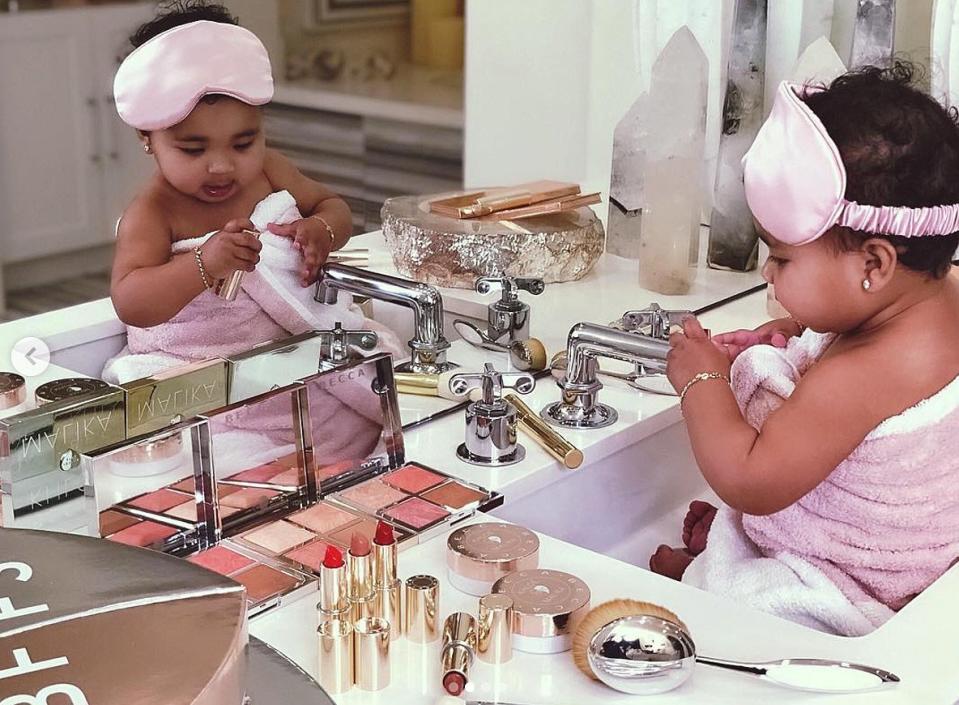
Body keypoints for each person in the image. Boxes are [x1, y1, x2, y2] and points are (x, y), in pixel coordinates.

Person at [651, 63, 959, 635]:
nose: (767, 271)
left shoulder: (865, 374)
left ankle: (719, 574)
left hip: (849, 577)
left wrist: (703, 383)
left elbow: (752, 482)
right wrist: (795, 332)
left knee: (745, 607)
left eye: (783, 259)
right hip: (927, 556)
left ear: (874, 262)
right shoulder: (938, 295)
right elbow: (846, 326)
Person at [102, 1, 398, 383]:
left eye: (243, 143)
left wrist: (320, 230)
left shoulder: (270, 170)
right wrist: (203, 265)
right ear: (147, 136)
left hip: (292, 359)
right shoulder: (154, 212)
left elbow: (333, 207)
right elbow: (131, 302)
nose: (222, 166)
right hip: (199, 371)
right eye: (194, 150)